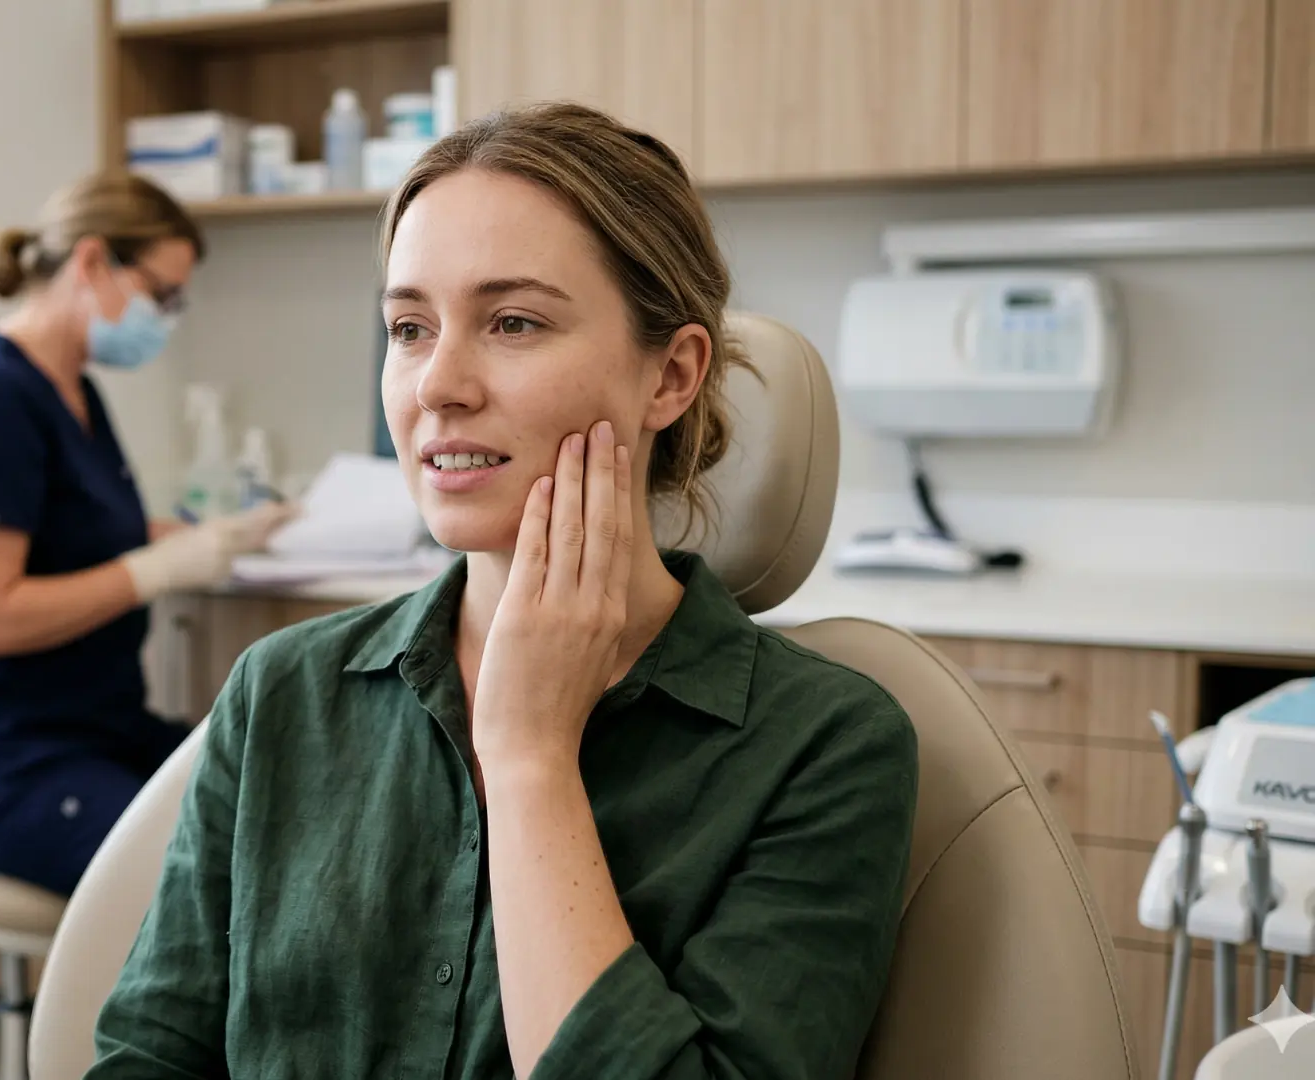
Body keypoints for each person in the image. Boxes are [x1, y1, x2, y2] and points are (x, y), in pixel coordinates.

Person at [87, 103, 919, 1079]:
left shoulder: (826, 748)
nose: (437, 383)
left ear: (672, 375)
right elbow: (147, 1057)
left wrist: (529, 760)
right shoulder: (280, 694)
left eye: (513, 321)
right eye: (408, 327)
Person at [0, 171, 292, 897]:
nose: (167, 318)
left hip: (93, 728)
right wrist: (157, 569)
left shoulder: (73, 390)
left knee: (278, 789)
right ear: (93, 262)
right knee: (216, 875)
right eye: (163, 295)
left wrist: (219, 534)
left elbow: (83, 527)